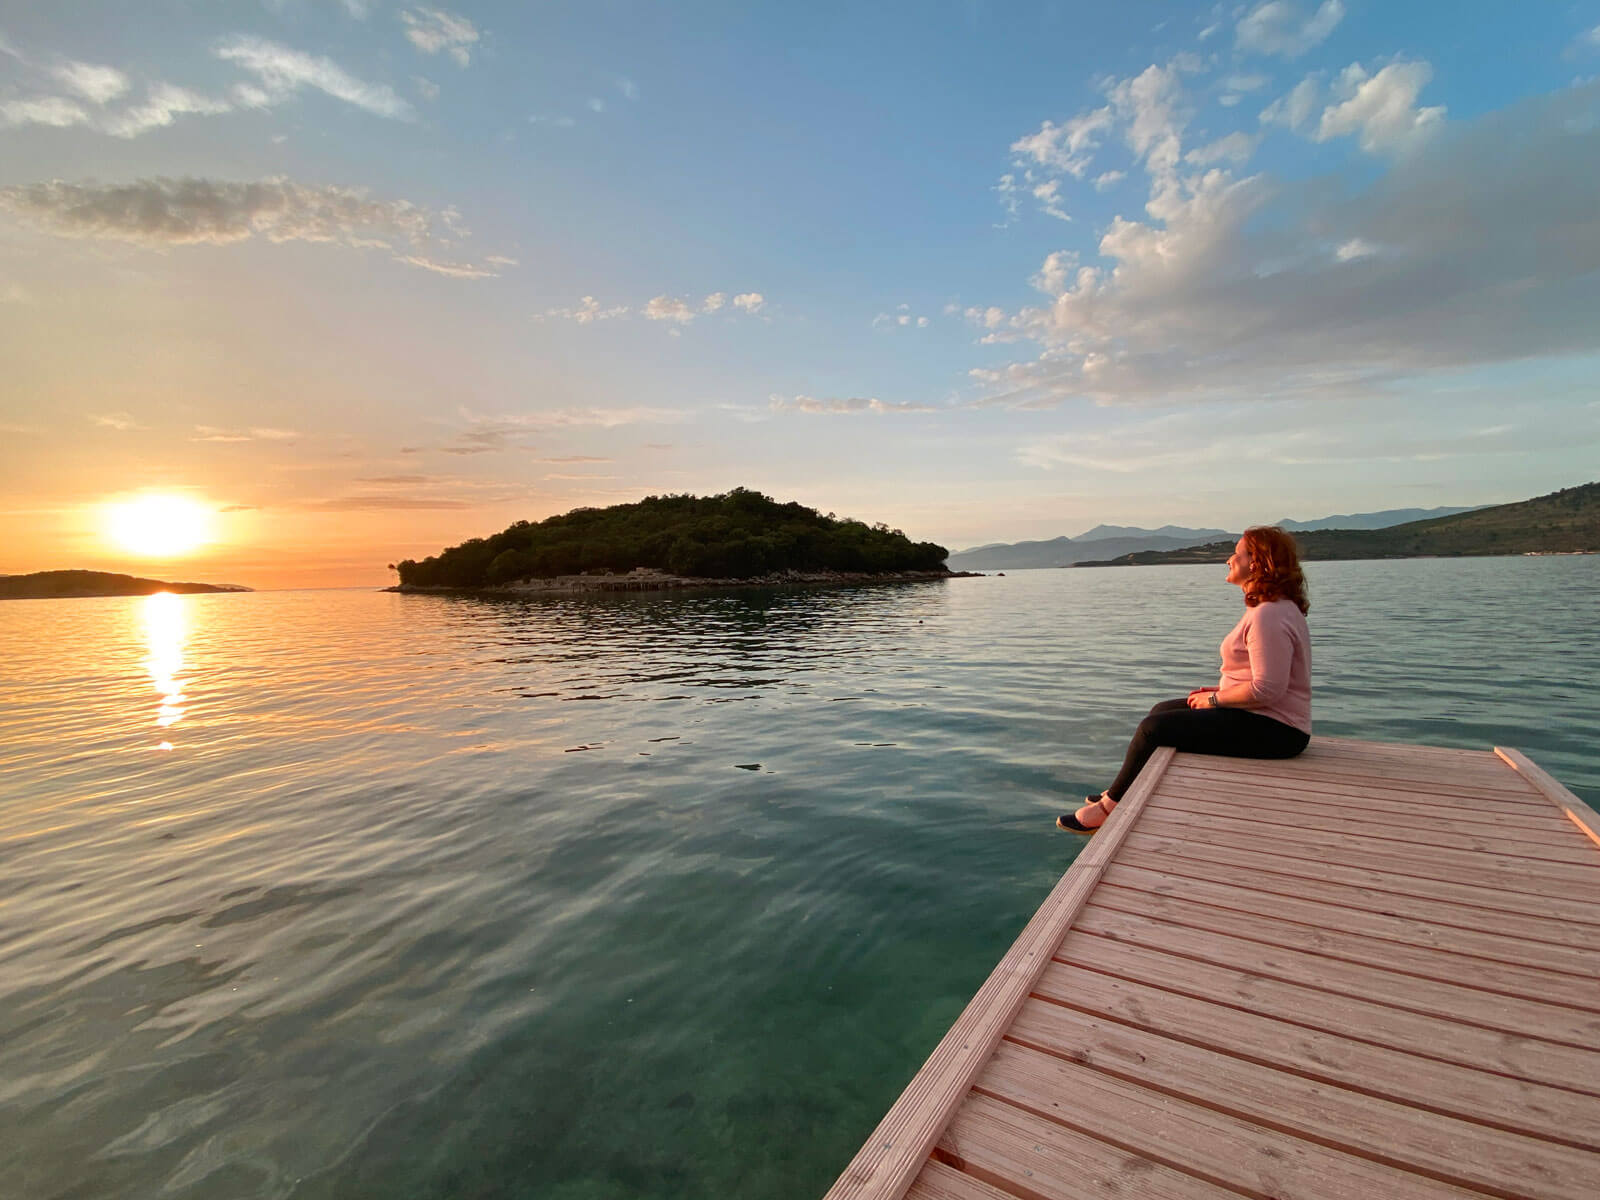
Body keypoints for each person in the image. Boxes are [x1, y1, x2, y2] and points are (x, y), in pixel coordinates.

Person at [1057, 525, 1312, 833]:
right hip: (1267, 717)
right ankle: (1124, 787)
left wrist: (1215, 699)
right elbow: (1263, 676)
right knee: (1162, 710)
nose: (1229, 560)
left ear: (1256, 562)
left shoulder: (1268, 616)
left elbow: (1269, 689)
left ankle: (1110, 808)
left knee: (1153, 729)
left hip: (1278, 732)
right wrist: (1223, 690)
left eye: (1237, 553)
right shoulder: (1273, 609)